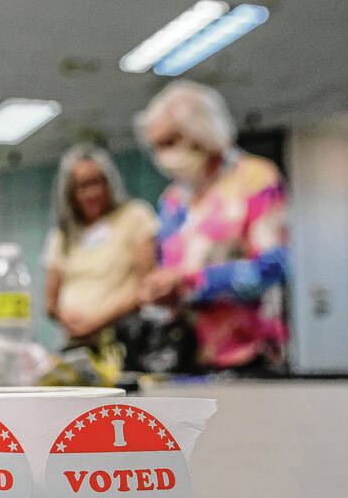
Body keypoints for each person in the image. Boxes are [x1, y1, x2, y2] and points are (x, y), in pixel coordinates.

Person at [136, 80, 288, 371]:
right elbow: (167, 266)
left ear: (200, 133)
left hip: (247, 354)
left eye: (169, 142)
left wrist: (192, 281)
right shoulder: (174, 199)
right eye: (156, 147)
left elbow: (272, 267)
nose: (162, 156)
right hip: (185, 352)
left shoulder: (255, 179)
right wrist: (159, 289)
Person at [43, 145, 158, 345]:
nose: (92, 193)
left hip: (125, 340)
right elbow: (50, 303)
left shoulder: (134, 216)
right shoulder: (62, 235)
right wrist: (69, 319)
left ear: (109, 183)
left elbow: (148, 285)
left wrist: (97, 322)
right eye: (82, 186)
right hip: (76, 343)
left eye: (96, 182)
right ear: (70, 192)